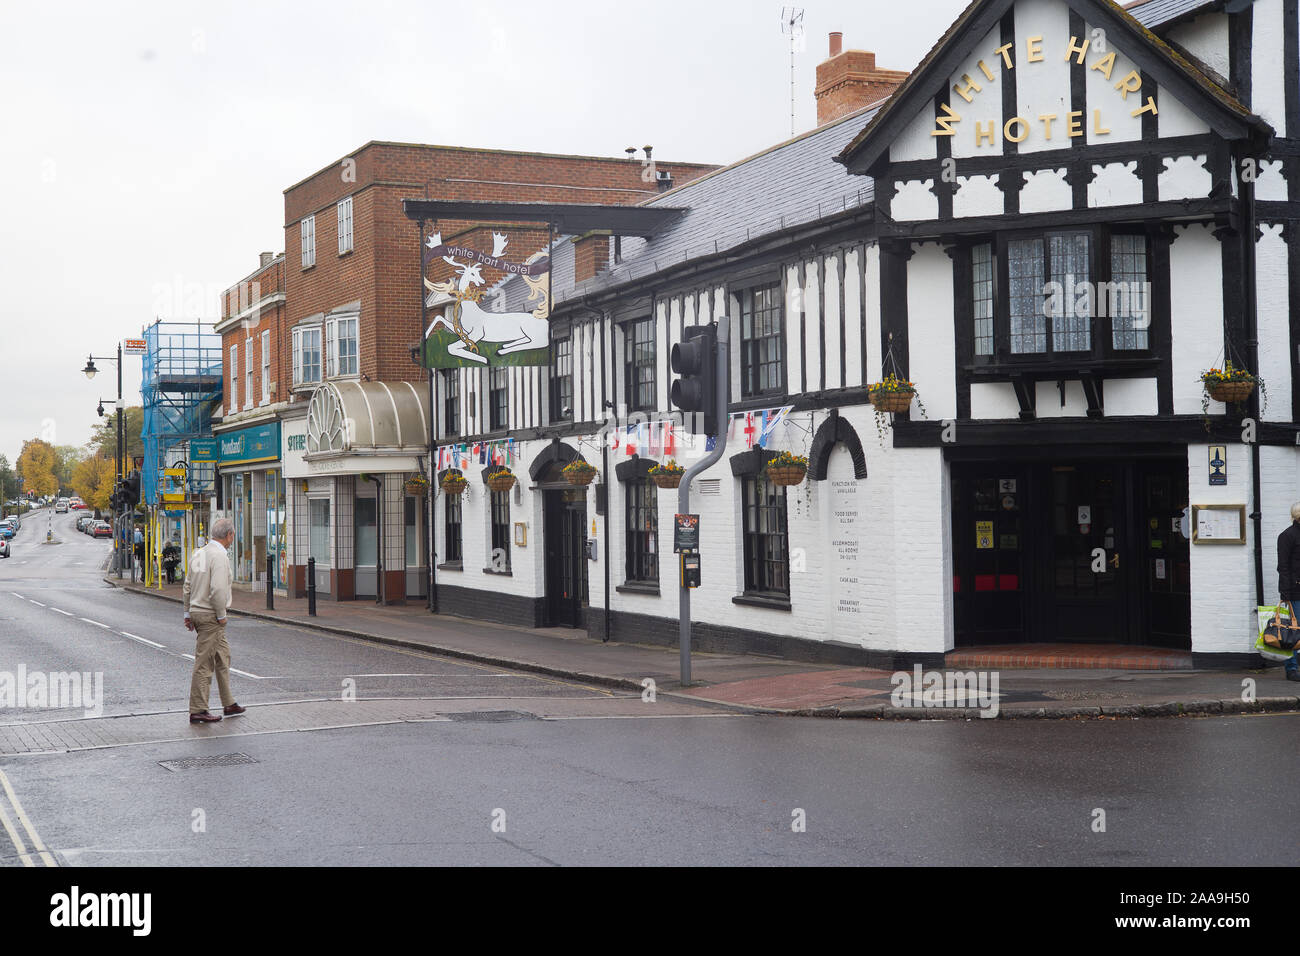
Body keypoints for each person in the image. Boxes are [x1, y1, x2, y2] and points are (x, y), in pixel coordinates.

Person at [182, 517, 246, 722]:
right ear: (229, 535)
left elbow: (187, 585)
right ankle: (198, 709)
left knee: (223, 656)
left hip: (197, 610)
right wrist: (221, 615)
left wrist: (187, 612)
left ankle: (229, 703)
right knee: (204, 663)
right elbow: (218, 589)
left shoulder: (199, 553)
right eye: (232, 535)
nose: (232, 539)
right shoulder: (219, 556)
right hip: (211, 615)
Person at [1274, 503, 1300, 682]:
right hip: (1295, 592)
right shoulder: (1287, 536)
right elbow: (1283, 567)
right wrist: (1285, 593)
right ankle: (1291, 668)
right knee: (1291, 631)